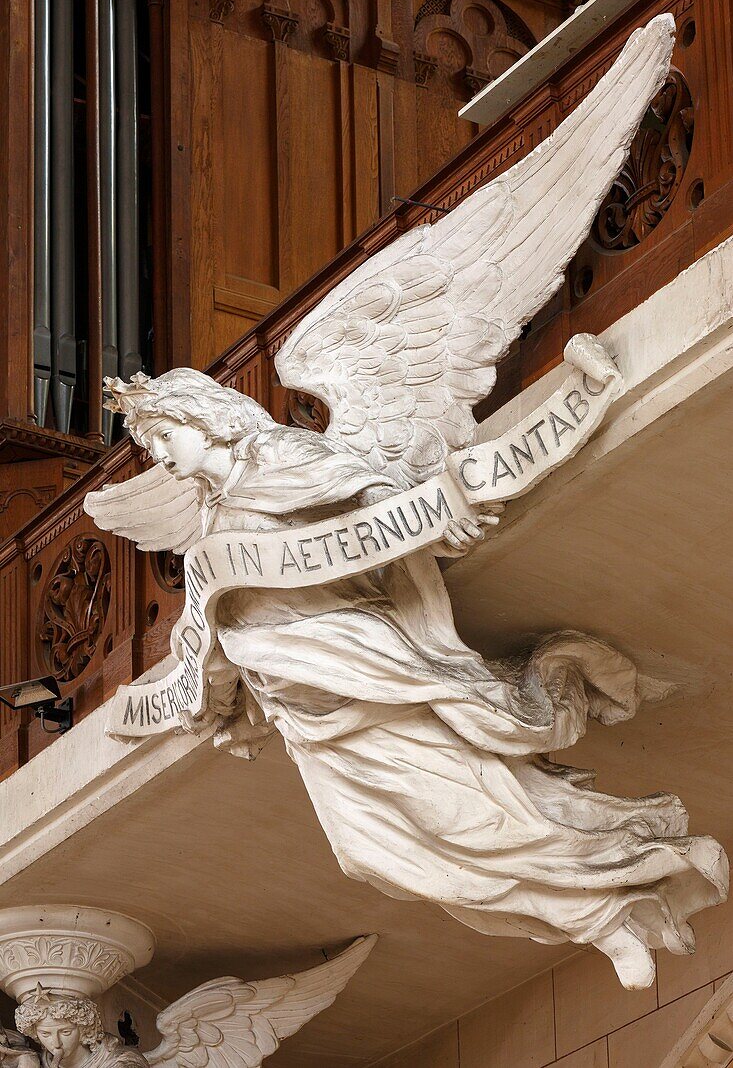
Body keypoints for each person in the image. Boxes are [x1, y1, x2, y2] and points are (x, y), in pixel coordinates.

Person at [105, 369, 728, 990]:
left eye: (163, 436)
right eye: (151, 446)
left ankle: (616, 905)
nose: (160, 458)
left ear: (202, 417)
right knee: (370, 856)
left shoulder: (282, 456)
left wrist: (437, 516)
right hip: (305, 712)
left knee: (471, 816)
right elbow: (228, 619)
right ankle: (596, 911)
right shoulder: (213, 522)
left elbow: (375, 502)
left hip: (365, 675)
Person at [14, 990, 147, 1068]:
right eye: (45, 1034)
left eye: (65, 1032)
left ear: (84, 1029)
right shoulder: (36, 1064)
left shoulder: (121, 1062)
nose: (56, 1043)